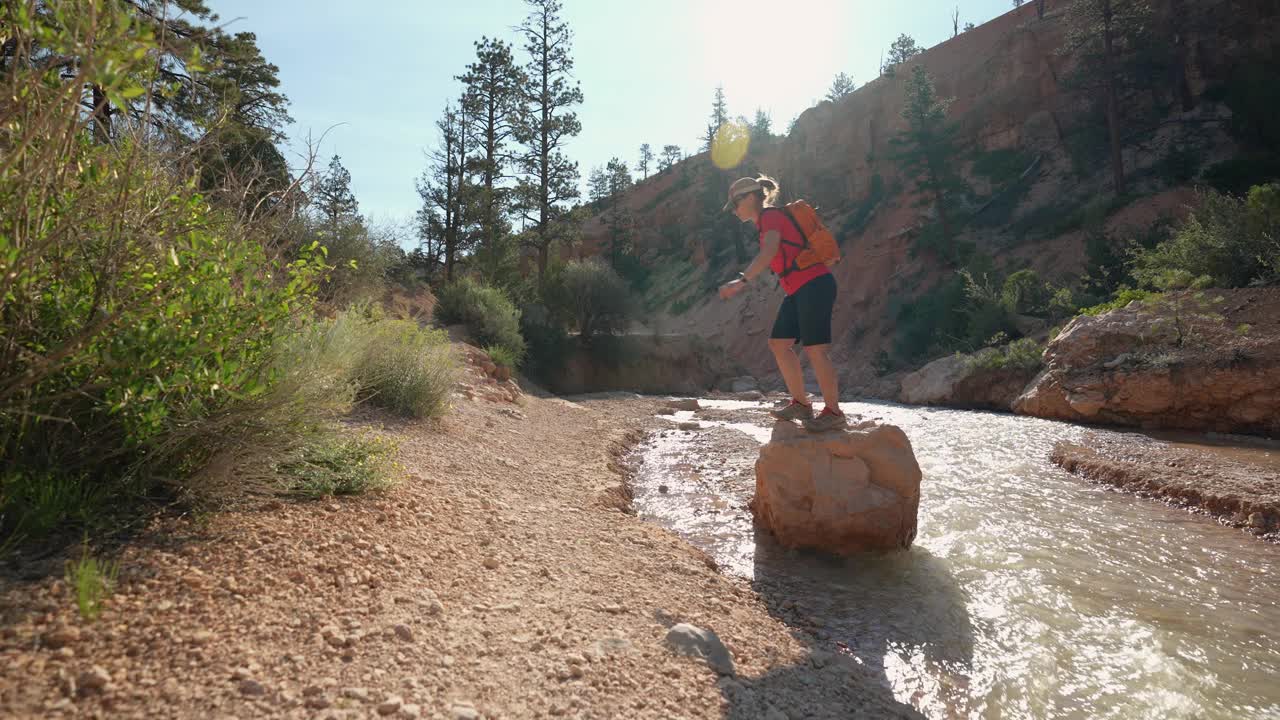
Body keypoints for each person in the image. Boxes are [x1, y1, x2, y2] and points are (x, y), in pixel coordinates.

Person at [717, 175, 846, 432]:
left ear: (752, 197)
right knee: (778, 344)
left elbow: (769, 252)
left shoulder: (770, 217)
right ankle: (801, 403)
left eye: (735, 203)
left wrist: (741, 282)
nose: (734, 210)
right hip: (799, 289)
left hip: (814, 284)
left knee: (815, 350)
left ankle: (834, 412)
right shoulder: (765, 224)